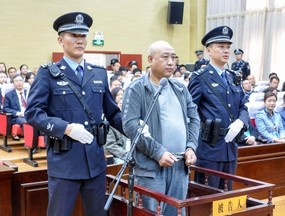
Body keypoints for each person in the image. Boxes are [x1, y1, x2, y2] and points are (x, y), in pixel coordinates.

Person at [24, 12, 124, 216]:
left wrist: (136, 128)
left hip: (95, 162)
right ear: (60, 40)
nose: (80, 40)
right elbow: (33, 113)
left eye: (83, 36)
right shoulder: (48, 73)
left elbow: (113, 113)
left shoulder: (98, 73)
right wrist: (66, 128)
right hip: (65, 164)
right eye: (73, 35)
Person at [122, 40, 200, 215]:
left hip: (180, 165)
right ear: (150, 59)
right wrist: (158, 153)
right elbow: (130, 126)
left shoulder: (180, 88)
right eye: (165, 57)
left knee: (176, 212)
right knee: (151, 213)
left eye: (174, 57)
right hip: (152, 169)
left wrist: (191, 147)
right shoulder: (137, 89)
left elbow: (194, 118)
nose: (171, 62)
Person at [188, 26, 249, 190]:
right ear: (208, 50)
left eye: (228, 47)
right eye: (221, 47)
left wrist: (241, 122)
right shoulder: (200, 77)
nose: (226, 51)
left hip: (230, 147)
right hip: (210, 148)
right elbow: (190, 112)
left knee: (227, 194)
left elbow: (243, 106)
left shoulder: (233, 77)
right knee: (208, 197)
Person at [3, 74, 27, 140]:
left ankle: (42, 141)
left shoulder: (29, 93)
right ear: (13, 83)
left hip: (29, 114)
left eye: (20, 80)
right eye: (16, 81)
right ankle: (31, 143)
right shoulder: (9, 95)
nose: (19, 82)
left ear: (23, 82)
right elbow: (5, 108)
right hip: (17, 117)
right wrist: (17, 113)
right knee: (26, 122)